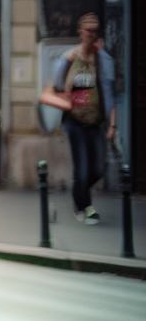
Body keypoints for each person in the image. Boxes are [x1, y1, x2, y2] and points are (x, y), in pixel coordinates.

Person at [47, 13, 119, 224]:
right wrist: (67, 97)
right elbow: (56, 86)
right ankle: (84, 207)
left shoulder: (103, 60)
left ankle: (79, 192)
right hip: (74, 122)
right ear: (80, 32)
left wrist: (112, 124)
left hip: (96, 122)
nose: (91, 33)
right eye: (88, 29)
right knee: (83, 167)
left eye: (95, 30)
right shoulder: (68, 58)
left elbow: (109, 93)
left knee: (98, 169)